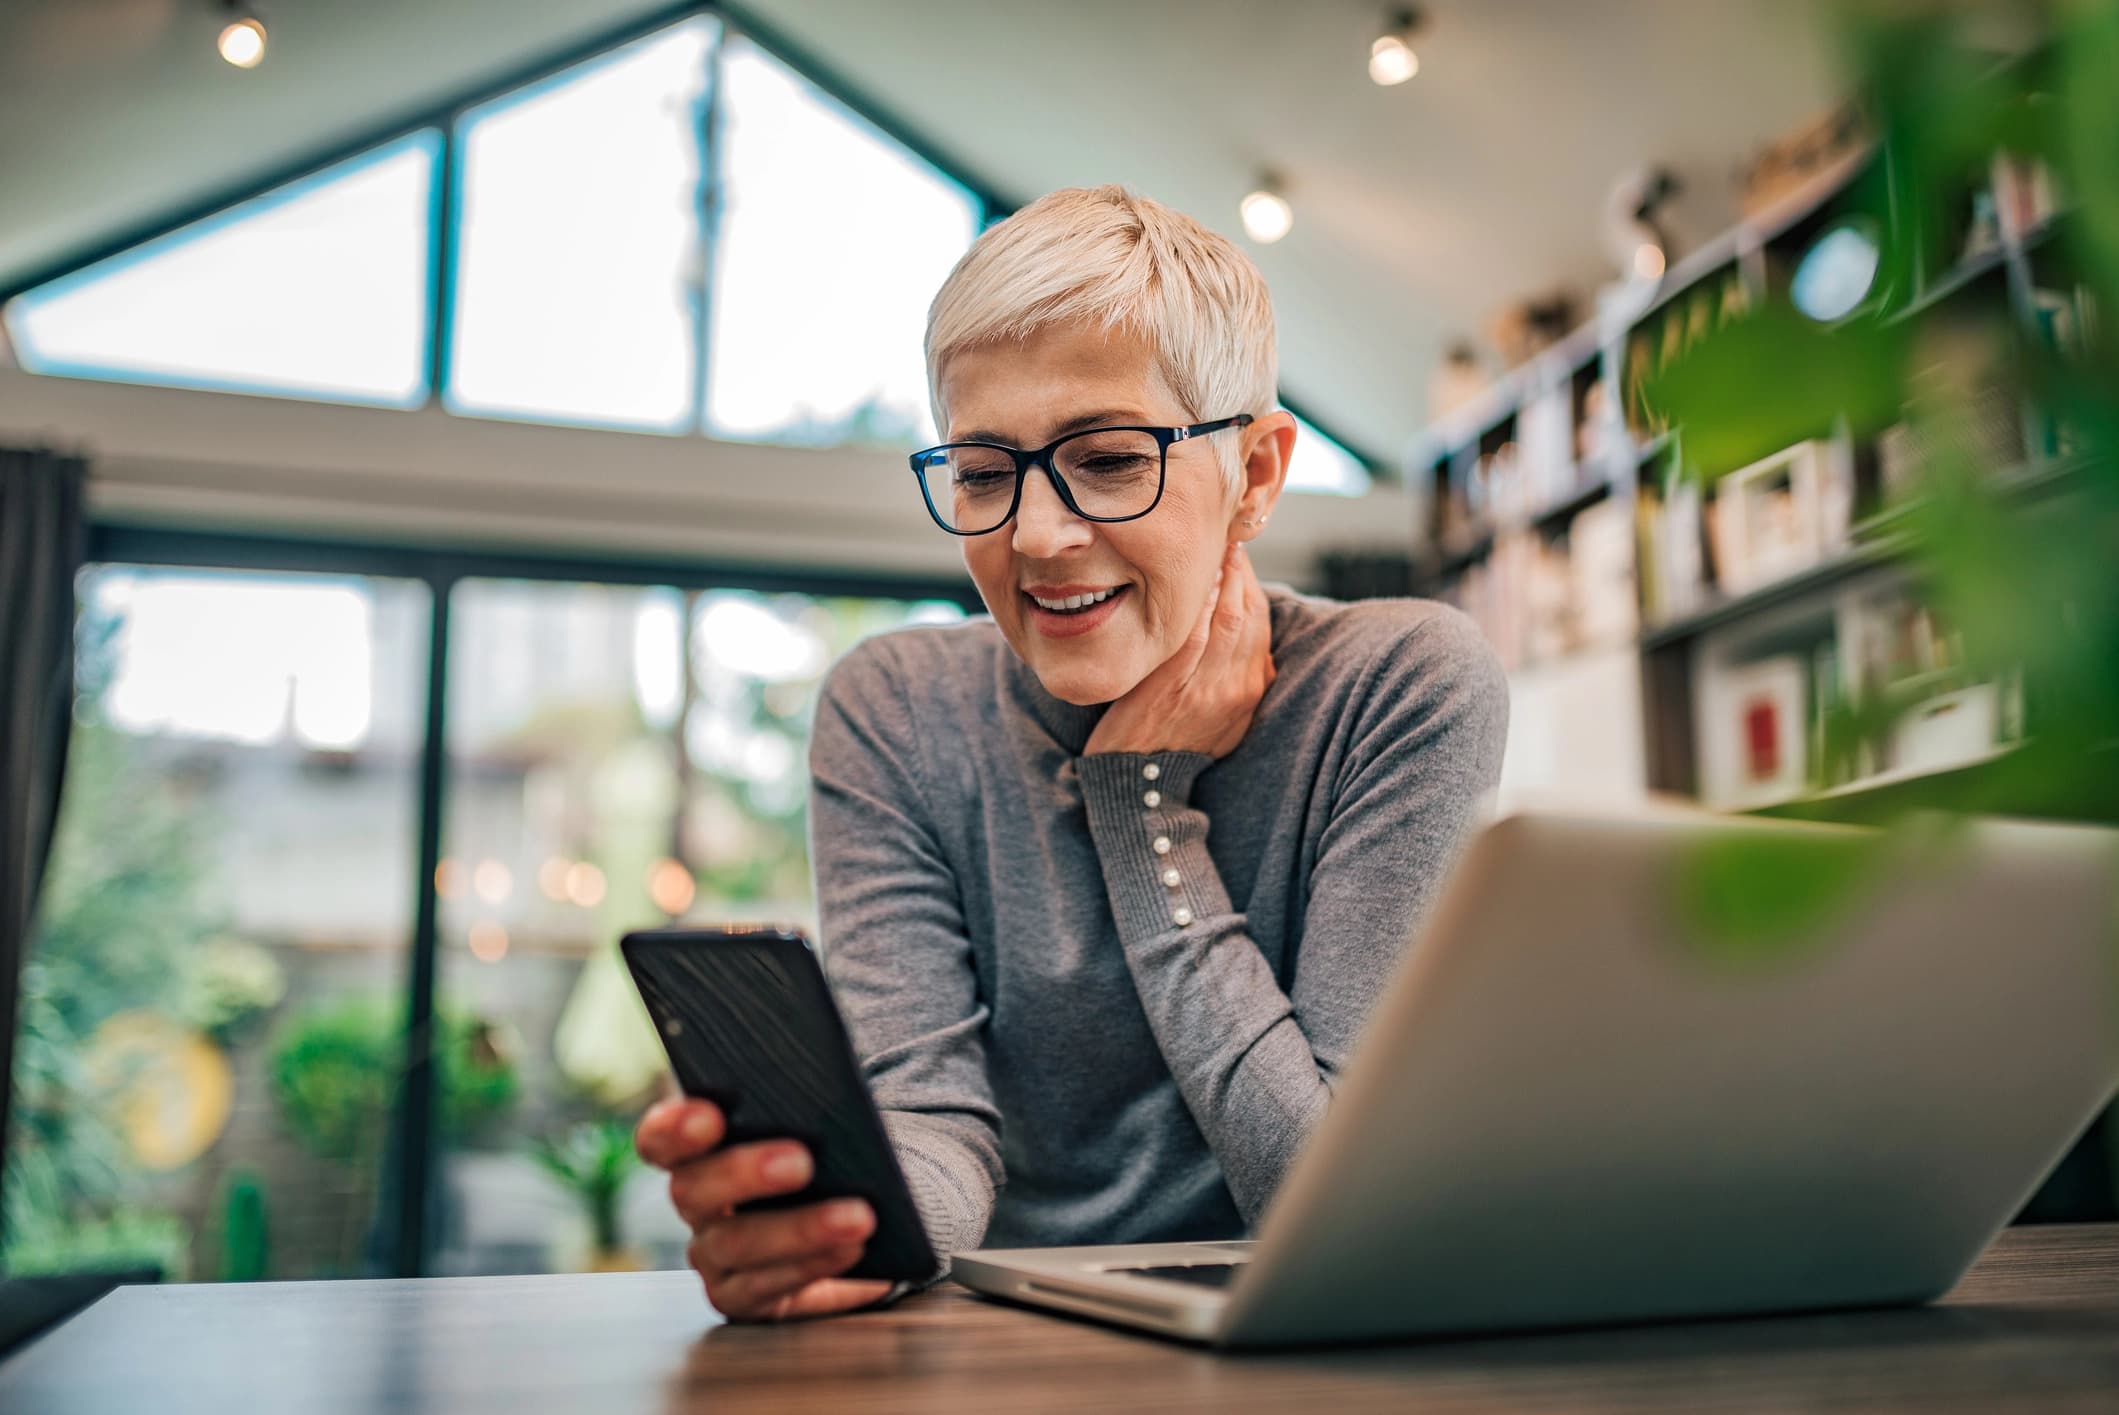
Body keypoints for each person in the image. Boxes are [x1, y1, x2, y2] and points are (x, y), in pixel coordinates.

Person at [635, 185, 1509, 1321]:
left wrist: (1139, 805)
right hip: (1003, 1352)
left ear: (1253, 475)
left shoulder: (1398, 686)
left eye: (1105, 458)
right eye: (985, 473)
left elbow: (1325, 1196)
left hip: (1306, 1352)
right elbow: (935, 1123)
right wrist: (846, 1221)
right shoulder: (896, 709)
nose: (1036, 536)